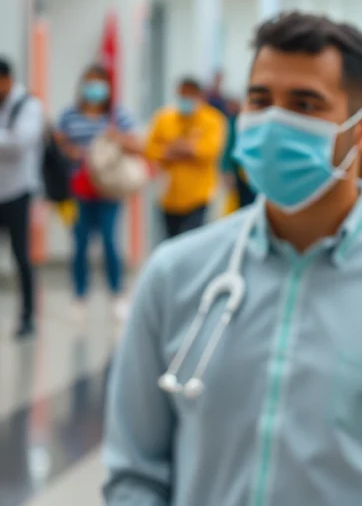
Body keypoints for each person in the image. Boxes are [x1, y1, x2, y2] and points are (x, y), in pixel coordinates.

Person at [103, 12, 362, 506]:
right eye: (260, 100)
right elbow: (134, 475)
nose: (274, 122)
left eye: (305, 104)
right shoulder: (175, 274)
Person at [54, 65, 143, 318]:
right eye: (89, 83)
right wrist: (70, 150)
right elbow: (57, 143)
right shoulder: (69, 115)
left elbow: (138, 145)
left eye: (99, 84)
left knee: (109, 241)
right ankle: (79, 296)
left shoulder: (118, 116)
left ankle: (117, 294)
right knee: (80, 243)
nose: (94, 90)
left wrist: (118, 139)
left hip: (109, 189)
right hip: (79, 190)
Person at [146, 77, 227, 239]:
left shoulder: (212, 119)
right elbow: (150, 149)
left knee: (192, 241)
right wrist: (175, 151)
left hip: (198, 195)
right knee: (170, 242)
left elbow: (210, 151)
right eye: (182, 95)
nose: (185, 99)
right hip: (169, 195)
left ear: (199, 96)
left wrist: (179, 149)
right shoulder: (165, 118)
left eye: (190, 95)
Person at [0, 57, 44, 339]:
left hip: (18, 192)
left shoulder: (28, 105)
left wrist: (8, 138)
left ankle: (27, 317)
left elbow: (20, 143)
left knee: (20, 256)